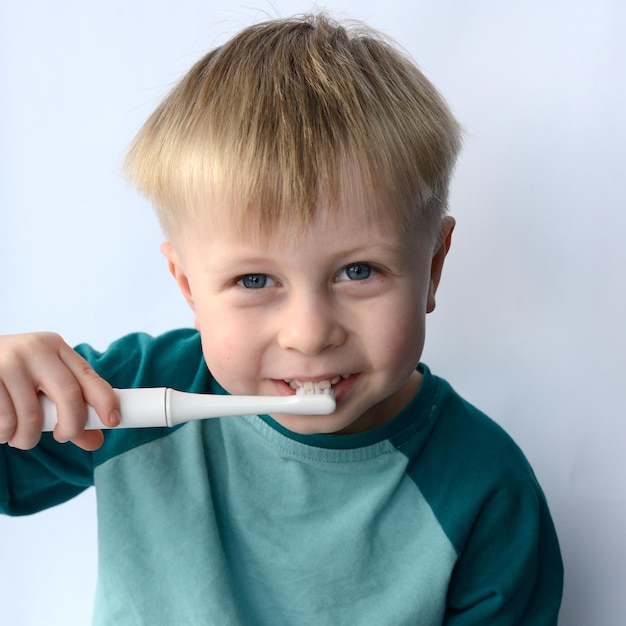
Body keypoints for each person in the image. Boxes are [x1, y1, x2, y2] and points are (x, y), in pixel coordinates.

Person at [0, 12, 563, 625]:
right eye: (254, 280)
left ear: (432, 267)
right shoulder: (125, 395)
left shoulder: (487, 491)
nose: (310, 333)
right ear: (189, 287)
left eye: (359, 271)